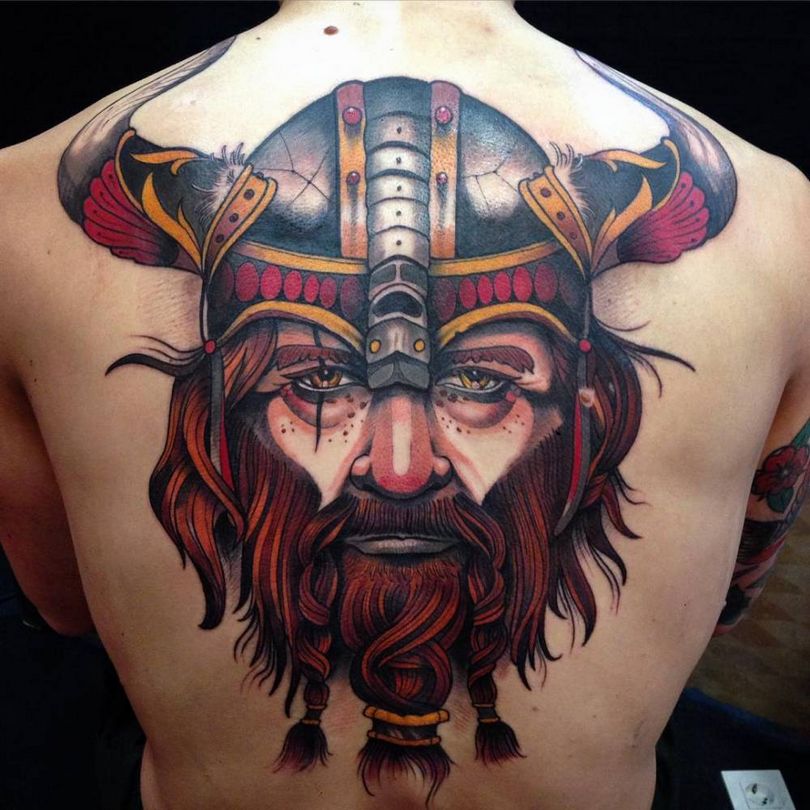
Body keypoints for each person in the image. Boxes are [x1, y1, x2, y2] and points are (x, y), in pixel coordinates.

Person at [0, 2, 807, 808]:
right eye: (317, 384)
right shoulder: (783, 223)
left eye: (483, 384)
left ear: (589, 411)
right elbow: (728, 599)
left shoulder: (17, 213)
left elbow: (64, 604)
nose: (400, 471)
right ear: (215, 412)